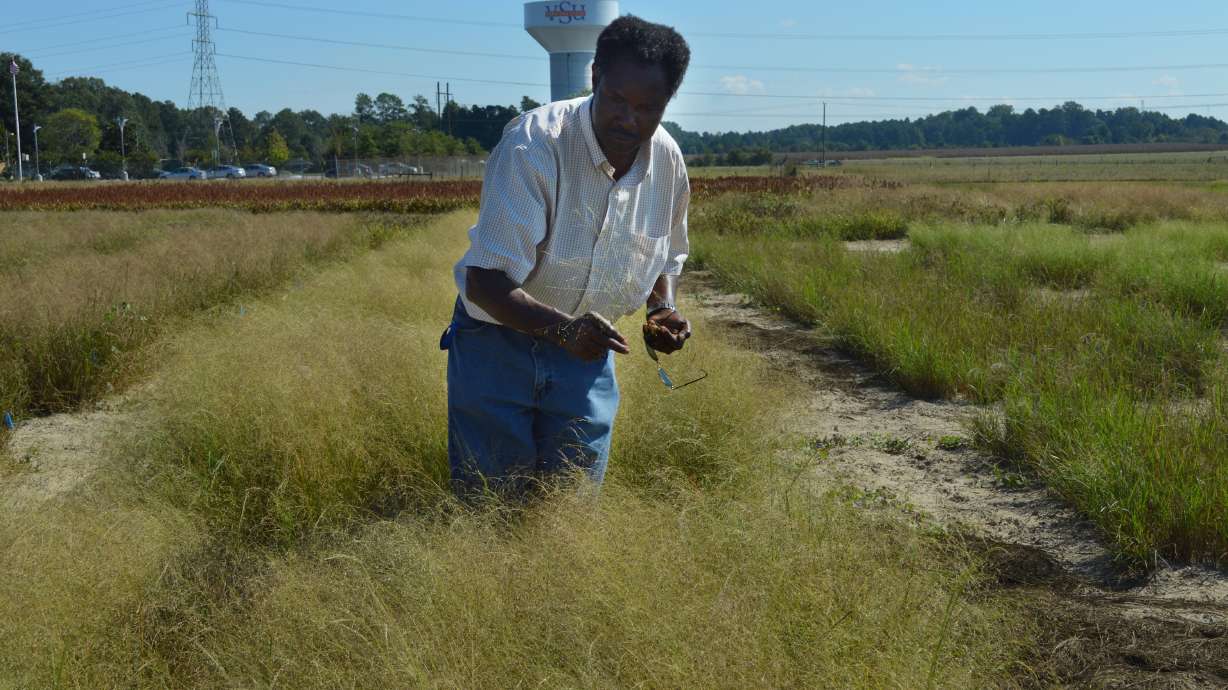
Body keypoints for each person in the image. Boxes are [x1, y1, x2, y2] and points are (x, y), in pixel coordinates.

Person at [441, 14, 693, 496]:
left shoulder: (668, 161)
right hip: (497, 342)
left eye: (648, 107)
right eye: (617, 99)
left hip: (587, 351)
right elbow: (485, 280)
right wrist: (562, 331)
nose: (629, 119)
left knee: (571, 503)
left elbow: (666, 254)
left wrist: (662, 306)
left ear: (667, 102)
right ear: (594, 76)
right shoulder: (534, 144)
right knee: (494, 499)